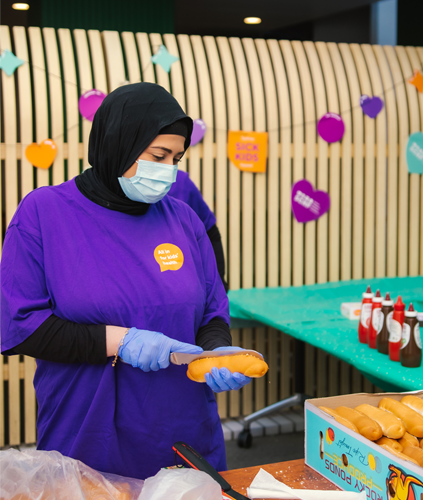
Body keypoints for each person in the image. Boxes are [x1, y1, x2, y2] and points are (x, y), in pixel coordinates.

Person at [0, 82, 255, 480]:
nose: (168, 169)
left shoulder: (183, 220)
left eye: (176, 157)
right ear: (117, 142)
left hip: (184, 437)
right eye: (158, 155)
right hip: (88, 439)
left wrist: (216, 352)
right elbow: (21, 328)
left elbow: (211, 313)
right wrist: (122, 342)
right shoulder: (44, 213)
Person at [168, 171, 228, 291]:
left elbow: (210, 232)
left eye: (176, 159)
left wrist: (218, 285)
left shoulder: (180, 182)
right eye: (159, 157)